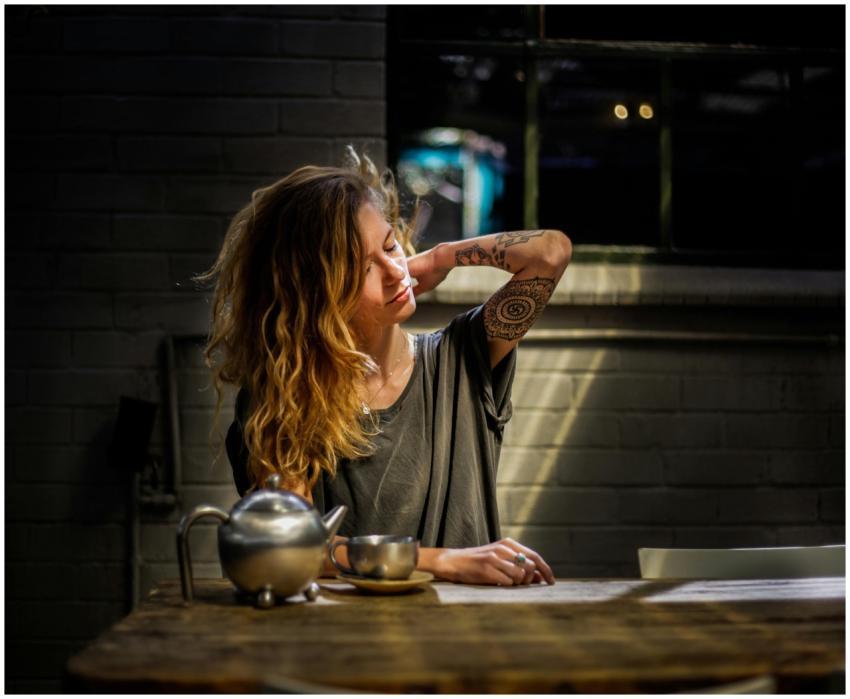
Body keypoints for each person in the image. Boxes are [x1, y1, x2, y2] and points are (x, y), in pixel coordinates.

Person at [197, 148, 571, 586]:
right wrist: (442, 560)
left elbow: (550, 253)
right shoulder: (284, 398)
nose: (395, 272)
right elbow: (291, 546)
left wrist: (441, 257)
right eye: (362, 270)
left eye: (391, 245)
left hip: (468, 624)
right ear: (316, 296)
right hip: (344, 629)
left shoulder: (463, 357)